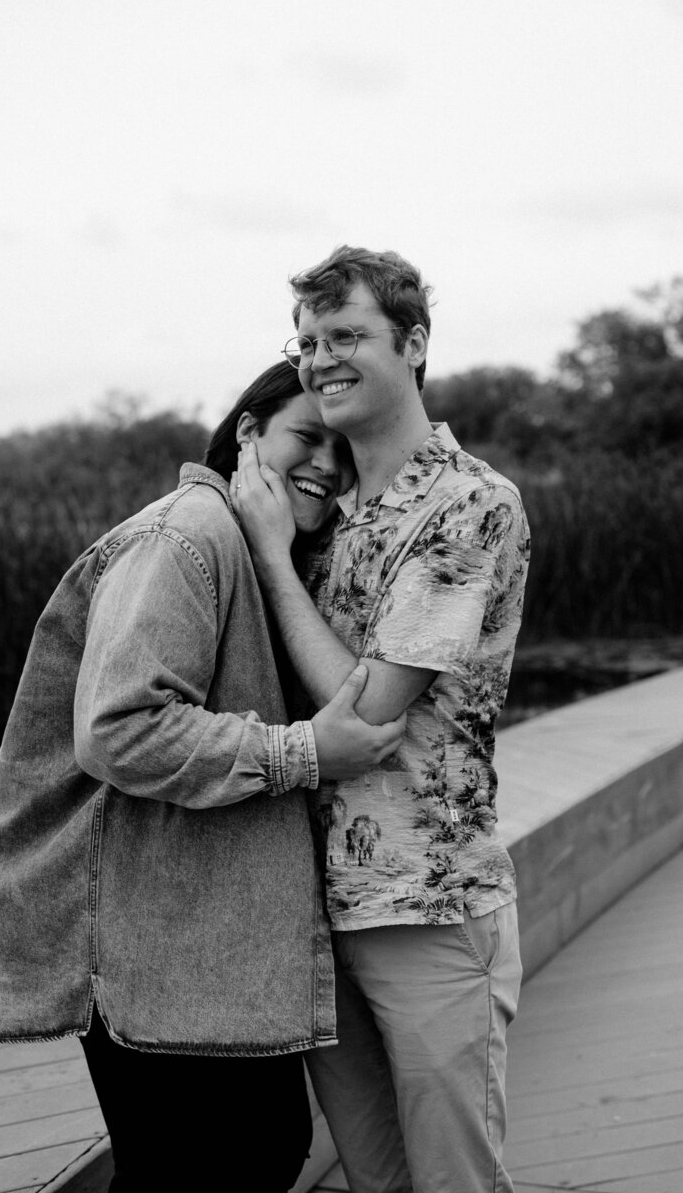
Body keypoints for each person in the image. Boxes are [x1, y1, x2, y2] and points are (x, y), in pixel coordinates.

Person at [0, 360, 406, 1193]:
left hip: (189, 926)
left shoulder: (253, 546)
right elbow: (120, 728)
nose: (327, 466)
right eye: (307, 437)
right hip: (134, 931)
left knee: (255, 1148)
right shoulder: (184, 539)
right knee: (209, 1163)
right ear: (248, 435)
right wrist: (305, 751)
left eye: (342, 452)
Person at [233, 247, 531, 1193]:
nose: (322, 358)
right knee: (378, 1182)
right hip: (319, 911)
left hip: (429, 908)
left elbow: (366, 712)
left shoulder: (469, 503)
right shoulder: (334, 508)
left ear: (413, 343)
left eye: (348, 335)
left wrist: (275, 560)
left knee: (454, 1184)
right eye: (309, 340)